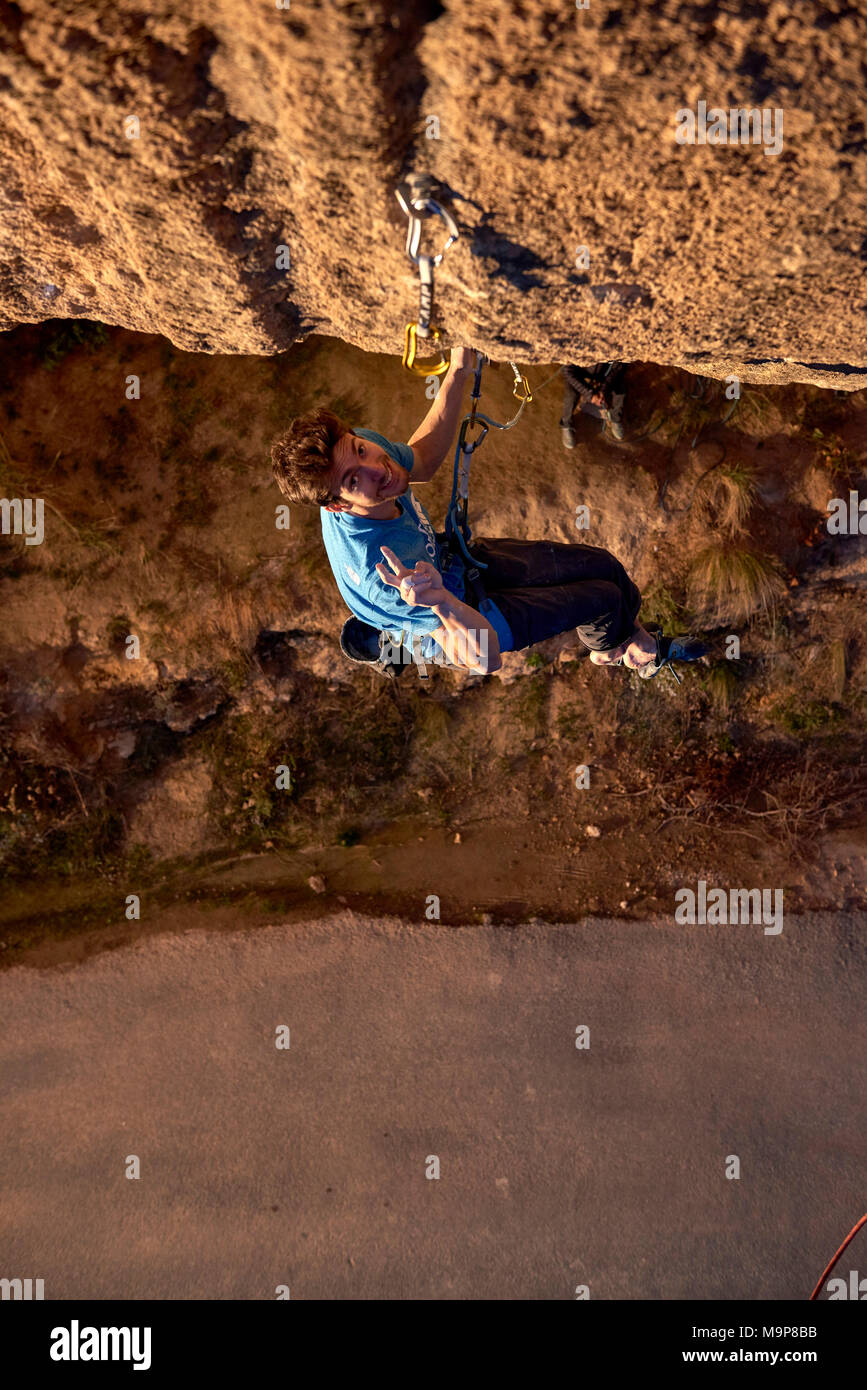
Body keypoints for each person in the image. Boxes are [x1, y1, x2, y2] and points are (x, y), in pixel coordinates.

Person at [270, 348, 687, 678]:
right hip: (451, 613)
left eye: (362, 451)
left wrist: (459, 369)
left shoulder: (359, 448)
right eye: (353, 480)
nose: (377, 470)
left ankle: (623, 638)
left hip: (449, 562)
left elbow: (424, 460)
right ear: (338, 504)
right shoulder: (384, 578)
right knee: (602, 598)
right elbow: (485, 660)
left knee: (605, 566)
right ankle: (613, 650)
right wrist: (438, 601)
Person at [560, 361, 627, 447]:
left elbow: (619, 367)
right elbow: (567, 370)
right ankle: (566, 424)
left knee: (620, 389)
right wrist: (590, 395)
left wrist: (604, 390)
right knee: (571, 395)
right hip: (580, 370)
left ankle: (615, 418)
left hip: (605, 372)